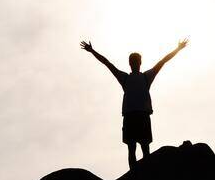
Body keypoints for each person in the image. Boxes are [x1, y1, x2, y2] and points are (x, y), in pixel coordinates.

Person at [80, 37, 189, 169]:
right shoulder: (127, 78)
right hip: (132, 117)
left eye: (136, 61)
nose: (135, 63)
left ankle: (144, 175)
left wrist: (178, 49)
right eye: (133, 61)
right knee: (133, 149)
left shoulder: (145, 77)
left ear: (139, 63)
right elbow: (107, 63)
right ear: (131, 63)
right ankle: (134, 175)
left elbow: (163, 61)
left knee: (144, 149)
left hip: (140, 116)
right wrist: (92, 51)